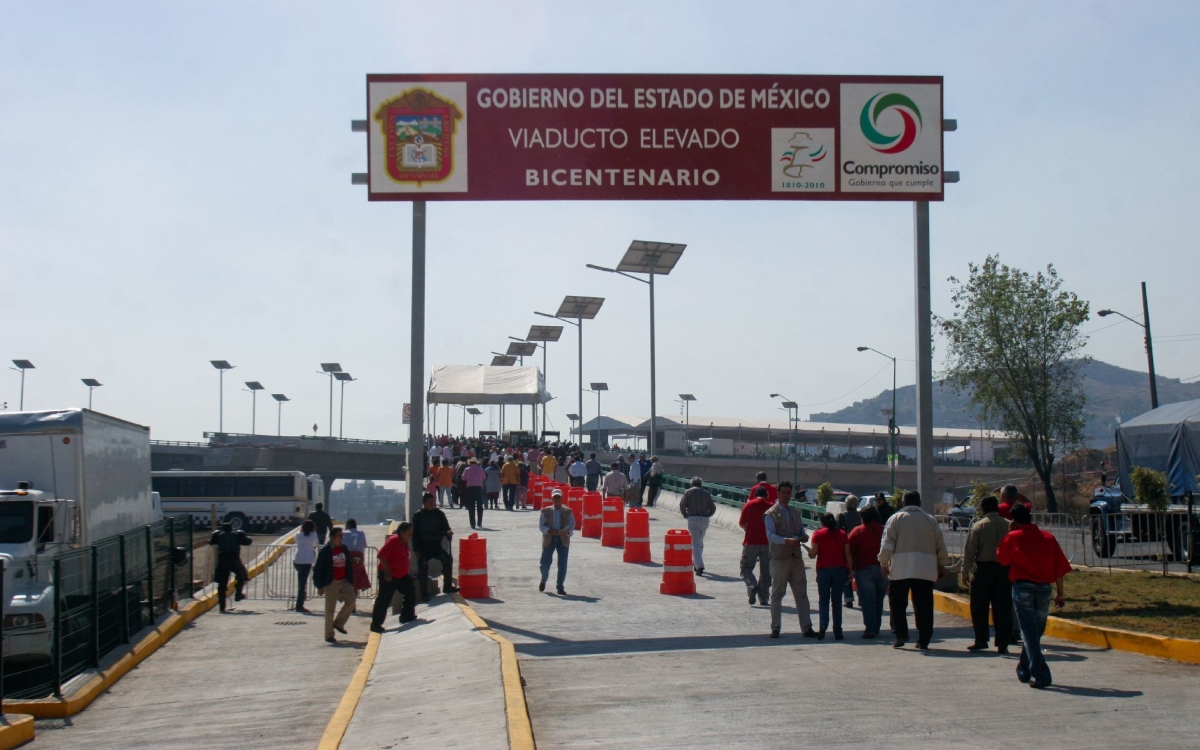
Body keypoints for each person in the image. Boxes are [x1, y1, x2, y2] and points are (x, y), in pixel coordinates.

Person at [996, 505, 1071, 688]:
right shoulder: (1048, 537)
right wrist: (1060, 593)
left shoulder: (1013, 537)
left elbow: (1003, 560)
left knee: (1029, 632)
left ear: (1013, 521)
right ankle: (1024, 669)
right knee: (1035, 632)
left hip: (1023, 588)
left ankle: (1041, 674)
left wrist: (1009, 533)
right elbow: (1058, 568)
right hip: (1044, 589)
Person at [878, 491, 950, 650]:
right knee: (923, 605)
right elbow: (940, 545)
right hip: (925, 568)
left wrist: (883, 562)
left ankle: (901, 634)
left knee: (897, 603)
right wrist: (942, 564)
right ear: (920, 503)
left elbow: (887, 544)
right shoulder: (930, 520)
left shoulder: (895, 519)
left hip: (901, 568)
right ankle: (923, 639)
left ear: (903, 503)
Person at [763, 482, 816, 639]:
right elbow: (770, 536)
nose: (786, 495)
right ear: (778, 494)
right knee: (777, 594)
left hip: (796, 558)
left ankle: (806, 627)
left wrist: (803, 535)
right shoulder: (770, 514)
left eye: (788, 492)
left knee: (801, 594)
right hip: (780, 559)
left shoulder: (795, 512)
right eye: (784, 492)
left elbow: (800, 529)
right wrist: (786, 540)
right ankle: (775, 627)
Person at [962, 495, 1013, 653]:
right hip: (1004, 570)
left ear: (982, 509)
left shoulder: (978, 526)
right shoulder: (1009, 525)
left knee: (979, 606)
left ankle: (981, 639)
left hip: (984, 570)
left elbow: (970, 551)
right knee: (1003, 607)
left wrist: (964, 571)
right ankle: (1003, 642)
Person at [808, 513, 853, 640]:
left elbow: (813, 553)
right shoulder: (842, 534)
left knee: (823, 599)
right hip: (839, 570)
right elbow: (848, 553)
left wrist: (810, 553)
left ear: (822, 523)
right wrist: (850, 571)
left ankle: (823, 624)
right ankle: (838, 631)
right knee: (837, 601)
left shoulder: (818, 534)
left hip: (823, 571)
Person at [847, 507, 887, 638]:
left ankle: (870, 628)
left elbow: (850, 552)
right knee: (879, 600)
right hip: (882, 569)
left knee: (867, 600)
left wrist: (850, 570)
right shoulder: (884, 530)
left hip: (864, 569)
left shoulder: (857, 531)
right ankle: (876, 627)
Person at [371, 523, 417, 633]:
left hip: (401, 575)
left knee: (411, 590)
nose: (410, 536)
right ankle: (376, 624)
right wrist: (387, 571)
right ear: (401, 533)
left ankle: (406, 615)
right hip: (389, 575)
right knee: (384, 599)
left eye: (411, 533)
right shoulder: (393, 541)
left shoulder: (404, 542)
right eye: (408, 533)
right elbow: (381, 556)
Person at [412, 492, 457, 600]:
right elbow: (415, 534)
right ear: (424, 503)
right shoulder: (418, 516)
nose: (432, 504)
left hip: (436, 546)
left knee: (447, 559)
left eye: (433, 502)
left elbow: (446, 527)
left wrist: (448, 532)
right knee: (423, 568)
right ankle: (424, 594)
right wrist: (416, 549)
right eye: (429, 502)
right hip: (424, 547)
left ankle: (447, 586)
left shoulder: (439, 514)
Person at [314, 527, 356, 643]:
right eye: (339, 536)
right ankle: (329, 635)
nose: (341, 538)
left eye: (342, 536)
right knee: (330, 610)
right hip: (331, 582)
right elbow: (318, 569)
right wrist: (319, 586)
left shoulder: (344, 548)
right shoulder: (326, 551)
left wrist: (351, 580)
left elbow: (348, 565)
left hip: (344, 581)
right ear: (332, 537)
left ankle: (338, 623)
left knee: (351, 601)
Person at [739, 486, 774, 606]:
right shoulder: (771, 506)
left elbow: (742, 523)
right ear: (766, 495)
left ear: (754, 495)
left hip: (751, 542)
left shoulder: (748, 505)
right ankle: (764, 598)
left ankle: (752, 585)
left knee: (746, 568)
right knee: (766, 571)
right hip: (767, 543)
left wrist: (748, 529)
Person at [210, 522, 252, 613]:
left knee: (221, 583)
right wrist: (242, 534)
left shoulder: (218, 535)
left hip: (222, 560)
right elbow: (248, 542)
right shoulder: (236, 535)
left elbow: (211, 542)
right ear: (231, 528)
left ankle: (222, 606)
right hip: (234, 559)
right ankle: (238, 594)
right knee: (242, 576)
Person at [539, 489, 574, 595]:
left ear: (562, 498)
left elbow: (572, 525)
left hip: (563, 539)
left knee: (562, 564)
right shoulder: (546, 511)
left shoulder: (568, 511)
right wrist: (549, 530)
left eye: (559, 497)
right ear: (552, 499)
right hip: (549, 538)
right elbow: (541, 525)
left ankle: (560, 586)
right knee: (544, 563)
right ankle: (543, 580)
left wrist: (567, 532)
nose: (557, 499)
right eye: (555, 497)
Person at [678, 477, 716, 575]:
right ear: (700, 484)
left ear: (692, 484)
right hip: (704, 519)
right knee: (700, 542)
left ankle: (699, 566)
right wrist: (708, 515)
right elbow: (713, 507)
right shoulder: (706, 493)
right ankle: (696, 563)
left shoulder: (688, 492)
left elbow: (682, 505)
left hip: (693, 518)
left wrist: (685, 515)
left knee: (694, 543)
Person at [838, 496, 862, 609]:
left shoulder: (842, 516)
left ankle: (848, 599)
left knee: (847, 574)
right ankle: (862, 598)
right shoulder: (861, 516)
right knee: (860, 574)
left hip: (846, 548)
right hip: (859, 548)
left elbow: (837, 531)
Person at [293, 519, 319, 613]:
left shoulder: (298, 534)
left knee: (301, 581)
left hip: (297, 559)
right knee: (302, 584)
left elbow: (296, 542)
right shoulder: (313, 534)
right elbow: (315, 544)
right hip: (307, 560)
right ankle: (299, 605)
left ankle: (302, 596)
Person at [343, 518, 371, 594]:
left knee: (346, 577)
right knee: (357, 578)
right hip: (359, 558)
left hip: (347, 557)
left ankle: (349, 598)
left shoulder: (344, 533)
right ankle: (354, 594)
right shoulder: (361, 533)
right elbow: (364, 545)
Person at [462, 459, 485, 528]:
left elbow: (463, 478)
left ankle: (472, 524)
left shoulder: (467, 469)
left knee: (471, 507)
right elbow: (484, 477)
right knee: (479, 506)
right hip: (478, 488)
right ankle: (479, 523)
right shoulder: (480, 469)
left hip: (470, 488)